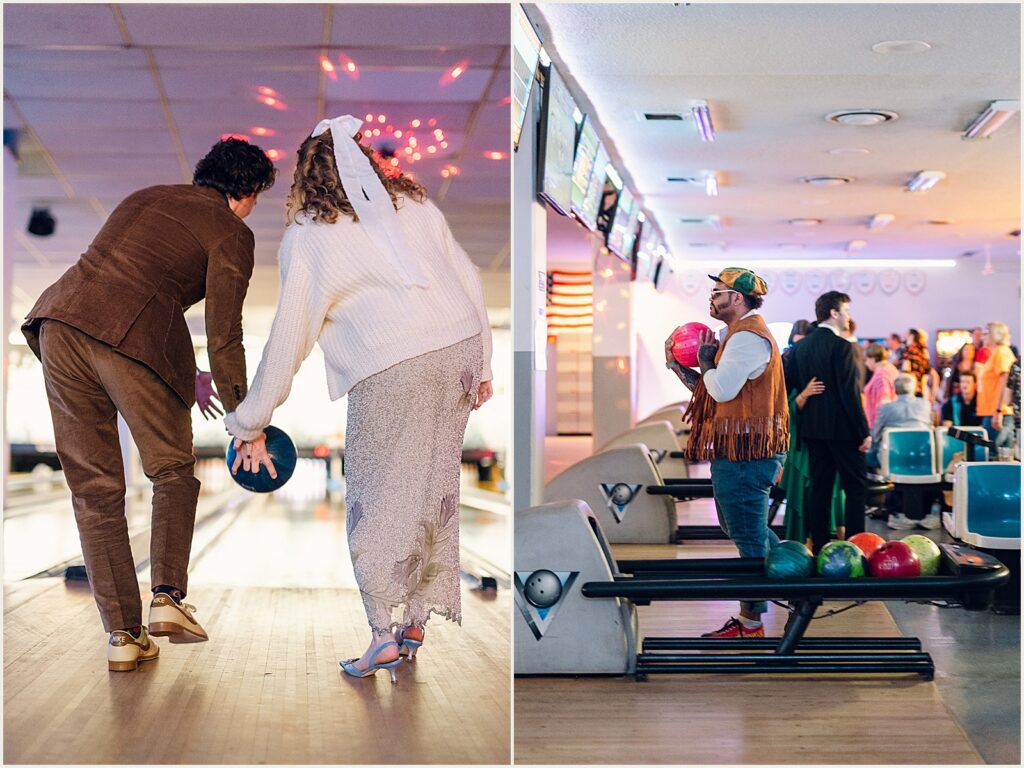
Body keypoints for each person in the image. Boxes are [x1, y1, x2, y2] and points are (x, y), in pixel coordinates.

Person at [222, 115, 493, 682]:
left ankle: (381, 635)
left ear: (306, 177)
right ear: (367, 163)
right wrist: (485, 363)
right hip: (460, 348)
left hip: (394, 364)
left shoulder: (311, 234)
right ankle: (416, 620)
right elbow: (469, 278)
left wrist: (250, 418)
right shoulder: (414, 206)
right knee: (433, 486)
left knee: (374, 497)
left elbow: (289, 337)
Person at [21, 139, 277, 671]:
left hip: (58, 326)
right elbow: (224, 334)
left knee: (94, 492)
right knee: (173, 472)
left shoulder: (146, 196)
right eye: (258, 198)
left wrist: (186, 373)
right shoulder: (232, 231)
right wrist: (246, 420)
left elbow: (128, 288)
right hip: (125, 339)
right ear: (247, 192)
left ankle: (123, 634)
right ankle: (167, 598)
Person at [664, 267, 788, 639]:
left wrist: (704, 362)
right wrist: (676, 367)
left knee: (748, 536)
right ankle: (795, 574)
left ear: (737, 298)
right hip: (742, 450)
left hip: (749, 454)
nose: (712, 299)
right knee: (739, 527)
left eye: (718, 292)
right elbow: (709, 393)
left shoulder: (748, 338)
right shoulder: (736, 335)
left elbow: (719, 390)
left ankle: (751, 623)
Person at [788, 291, 870, 554]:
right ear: (834, 313)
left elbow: (789, 388)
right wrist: (863, 432)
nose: (848, 316)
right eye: (846, 310)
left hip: (813, 429)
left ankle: (821, 546)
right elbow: (849, 394)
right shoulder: (844, 347)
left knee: (819, 489)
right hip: (844, 432)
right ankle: (857, 549)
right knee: (856, 490)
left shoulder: (799, 349)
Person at [868, 374, 939, 531]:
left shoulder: (886, 408)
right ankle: (923, 513)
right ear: (914, 388)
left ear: (896, 390)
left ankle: (892, 509)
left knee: (873, 453)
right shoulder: (925, 405)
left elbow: (876, 434)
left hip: (893, 458)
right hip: (925, 457)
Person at [977, 322, 1016, 447]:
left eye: (985, 333)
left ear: (995, 335)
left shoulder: (1001, 353)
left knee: (992, 455)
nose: (983, 337)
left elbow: (1006, 382)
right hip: (995, 411)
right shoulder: (996, 353)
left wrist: (998, 411)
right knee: (1000, 456)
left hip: (999, 413)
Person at [863, 343, 899, 429]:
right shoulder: (889, 369)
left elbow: (884, 402)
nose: (866, 363)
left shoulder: (882, 375)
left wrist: (877, 429)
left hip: (879, 425)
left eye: (866, 359)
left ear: (873, 359)